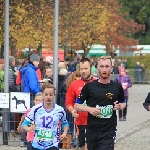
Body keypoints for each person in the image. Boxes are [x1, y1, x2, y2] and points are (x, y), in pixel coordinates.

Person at [74, 56, 126, 150]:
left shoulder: (117, 87)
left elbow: (123, 102)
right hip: (92, 130)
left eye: (107, 66)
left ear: (111, 67)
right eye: (102, 66)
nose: (104, 69)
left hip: (109, 130)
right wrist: (89, 109)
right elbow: (77, 105)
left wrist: (119, 106)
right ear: (97, 68)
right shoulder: (89, 87)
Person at [21, 82, 69, 150]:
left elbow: (65, 123)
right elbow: (24, 124)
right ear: (42, 95)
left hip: (53, 144)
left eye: (51, 95)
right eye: (46, 95)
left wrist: (64, 133)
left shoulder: (60, 110)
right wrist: (28, 128)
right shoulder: (35, 109)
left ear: (54, 95)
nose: (48, 97)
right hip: (37, 145)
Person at [65, 58, 96, 150]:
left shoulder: (97, 83)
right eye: (81, 69)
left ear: (91, 68)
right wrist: (73, 111)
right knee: (83, 146)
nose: (83, 71)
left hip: (95, 121)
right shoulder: (74, 84)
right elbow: (68, 103)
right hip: (81, 121)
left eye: (85, 69)